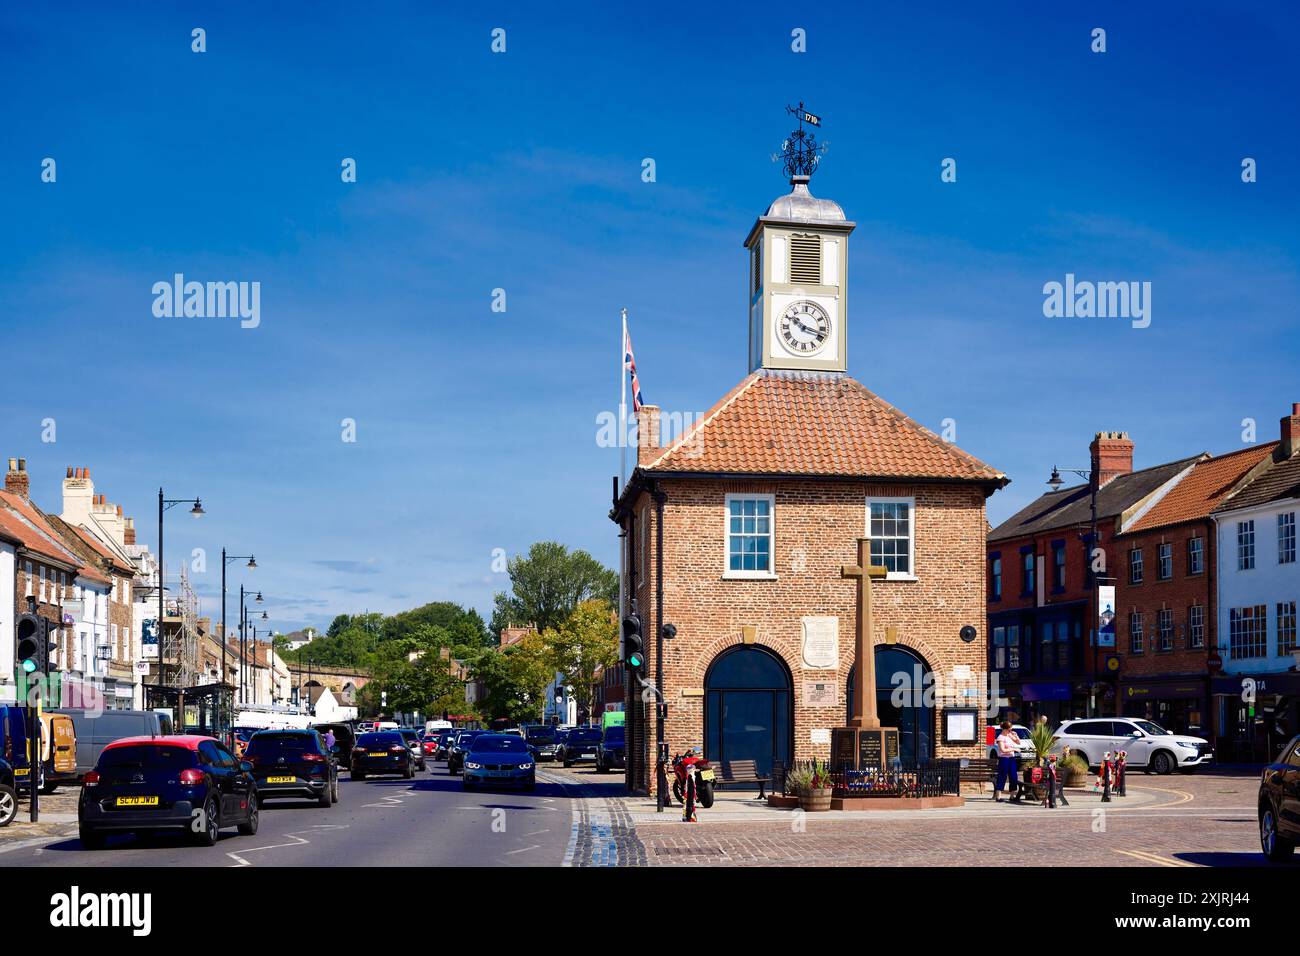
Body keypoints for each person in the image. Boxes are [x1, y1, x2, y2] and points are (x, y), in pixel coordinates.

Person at [994, 721, 1021, 803]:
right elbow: (1003, 750)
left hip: (1011, 758)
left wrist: (1016, 736)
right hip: (1004, 759)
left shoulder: (1009, 735)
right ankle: (998, 796)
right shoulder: (1000, 738)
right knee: (1002, 776)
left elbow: (1018, 742)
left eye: (1011, 729)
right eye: (1009, 730)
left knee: (1013, 776)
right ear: (1004, 729)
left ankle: (1012, 796)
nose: (1010, 731)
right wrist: (1013, 749)